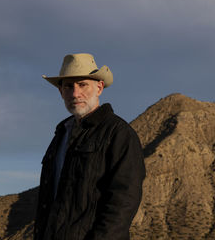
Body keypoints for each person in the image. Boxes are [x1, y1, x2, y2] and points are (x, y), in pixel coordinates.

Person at [34, 53, 146, 240]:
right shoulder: (61, 135)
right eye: (68, 86)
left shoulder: (119, 134)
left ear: (99, 87)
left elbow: (123, 201)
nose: (75, 93)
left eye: (82, 84)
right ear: (60, 91)